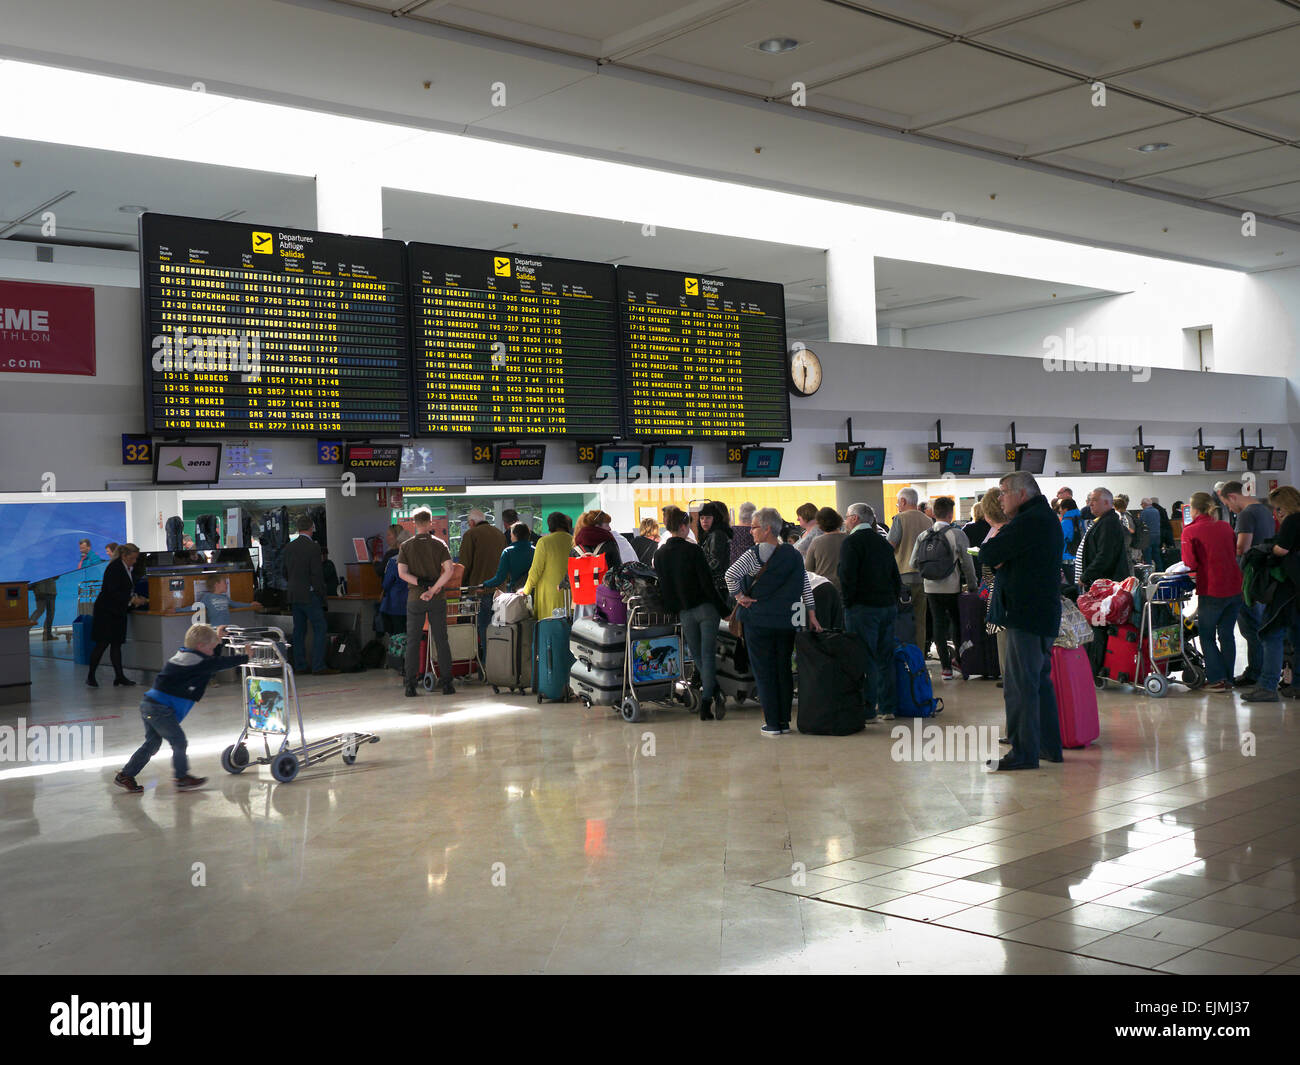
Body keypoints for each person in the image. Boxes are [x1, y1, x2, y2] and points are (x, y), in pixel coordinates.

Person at [978, 472, 1064, 770]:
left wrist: (999, 547)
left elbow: (988, 553)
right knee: (1038, 683)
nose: (1000, 498)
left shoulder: (1029, 521)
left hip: (1025, 615)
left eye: (1003, 492)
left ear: (1022, 494)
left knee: (1019, 686)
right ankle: (1049, 746)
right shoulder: (1044, 517)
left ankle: (1023, 752)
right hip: (1040, 613)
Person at [113, 623, 249, 793]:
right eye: (212, 647)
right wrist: (246, 657)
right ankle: (182, 777)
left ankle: (126, 775)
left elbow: (210, 661)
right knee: (179, 741)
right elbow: (215, 663)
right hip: (159, 709)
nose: (214, 651)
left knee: (152, 743)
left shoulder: (188, 655)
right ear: (200, 647)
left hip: (150, 705)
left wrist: (218, 640)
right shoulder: (196, 661)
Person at [726, 507, 820, 736]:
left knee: (764, 672)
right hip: (786, 622)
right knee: (783, 670)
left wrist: (739, 597)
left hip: (758, 622)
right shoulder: (793, 554)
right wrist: (812, 613)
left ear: (768, 529)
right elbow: (805, 585)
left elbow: (730, 576)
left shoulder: (753, 555)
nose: (750, 532)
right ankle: (785, 721)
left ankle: (772, 724)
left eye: (754, 527)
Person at [654, 506, 726, 721]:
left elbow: (665, 588)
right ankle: (707, 701)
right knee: (708, 657)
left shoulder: (660, 554)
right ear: (684, 526)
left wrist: (675, 608)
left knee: (697, 658)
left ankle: (713, 694)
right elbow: (707, 584)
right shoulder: (693, 550)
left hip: (685, 612)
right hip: (706, 609)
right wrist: (725, 610)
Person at [839, 502, 900, 722]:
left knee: (866, 658)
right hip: (887, 607)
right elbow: (895, 576)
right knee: (886, 656)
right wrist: (892, 600)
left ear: (855, 518)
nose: (845, 521)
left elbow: (847, 577)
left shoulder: (851, 543)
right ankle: (888, 707)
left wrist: (849, 603)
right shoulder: (883, 543)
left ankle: (868, 710)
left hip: (862, 608)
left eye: (846, 517)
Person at [1242, 486, 1300, 703]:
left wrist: (1267, 551)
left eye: (1277, 509)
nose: (1276, 514)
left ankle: (1267, 686)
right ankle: (1297, 685)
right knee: (1297, 636)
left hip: (1288, 588)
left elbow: (1282, 550)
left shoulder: (1293, 521)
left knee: (1271, 633)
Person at [1180, 491, 1242, 693]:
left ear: (1193, 509)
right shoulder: (1225, 527)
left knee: (1207, 634)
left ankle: (1216, 679)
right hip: (1234, 587)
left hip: (1212, 588)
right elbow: (1234, 551)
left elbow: (1190, 563)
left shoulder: (1190, 531)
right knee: (1227, 634)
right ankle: (1229, 678)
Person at [911, 496, 979, 680]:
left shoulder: (923, 535)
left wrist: (930, 574)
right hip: (952, 588)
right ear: (951, 514)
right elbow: (967, 563)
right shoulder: (957, 534)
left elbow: (913, 562)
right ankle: (960, 661)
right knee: (956, 623)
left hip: (930, 588)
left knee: (938, 625)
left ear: (934, 513)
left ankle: (945, 669)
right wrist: (972, 586)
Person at [1220, 479, 1276, 688]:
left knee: (1251, 628)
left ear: (1233, 496)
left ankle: (1255, 672)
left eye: (1227, 504)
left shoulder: (1246, 514)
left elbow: (1242, 547)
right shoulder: (1264, 510)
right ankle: (1262, 670)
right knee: (1261, 626)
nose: (1230, 508)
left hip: (1248, 578)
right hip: (1263, 577)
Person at [397, 508, 458, 698]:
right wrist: (433, 589)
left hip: (415, 599)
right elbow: (449, 570)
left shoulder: (406, 546)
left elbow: (402, 573)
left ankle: (410, 686)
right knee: (441, 640)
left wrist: (421, 585)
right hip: (437, 599)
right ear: (430, 522)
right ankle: (447, 683)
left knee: (413, 641)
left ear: (414, 523)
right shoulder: (440, 545)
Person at [1077, 488, 1132, 674]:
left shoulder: (1108, 524)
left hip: (1107, 585)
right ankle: (1099, 665)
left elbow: (1105, 556)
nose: (1090, 504)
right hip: (1103, 584)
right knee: (1099, 625)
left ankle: (1097, 667)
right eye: (1089, 500)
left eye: (1094, 500)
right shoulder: (1103, 522)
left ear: (1107, 503)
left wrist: (1086, 576)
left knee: (1100, 625)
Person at [87, 543, 147, 687]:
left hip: (118, 610)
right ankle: (91, 676)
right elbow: (112, 590)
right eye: (132, 558)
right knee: (102, 644)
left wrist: (134, 598)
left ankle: (119, 676)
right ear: (124, 556)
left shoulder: (127, 568)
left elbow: (124, 589)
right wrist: (131, 599)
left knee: (116, 644)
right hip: (106, 611)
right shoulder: (114, 567)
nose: (134, 561)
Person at [284, 516, 336, 677]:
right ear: (312, 528)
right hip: (310, 595)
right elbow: (316, 574)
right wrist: (322, 594)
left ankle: (300, 665)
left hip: (294, 595)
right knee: (320, 627)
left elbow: (283, 572)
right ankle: (318, 665)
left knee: (299, 630)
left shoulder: (288, 547)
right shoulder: (313, 548)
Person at [887, 487, 933, 652]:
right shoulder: (928, 521)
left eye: (898, 502)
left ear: (904, 501)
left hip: (903, 577)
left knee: (901, 619)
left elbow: (889, 546)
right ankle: (919, 657)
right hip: (924, 577)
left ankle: (904, 656)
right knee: (920, 620)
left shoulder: (900, 518)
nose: (898, 505)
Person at [459, 508, 507, 656]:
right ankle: (501, 664)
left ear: (472, 522)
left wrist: (461, 586)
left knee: (483, 628)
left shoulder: (471, 534)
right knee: (499, 629)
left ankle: (485, 666)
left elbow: (464, 565)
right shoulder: (499, 534)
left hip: (480, 590)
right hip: (500, 591)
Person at [521, 512, 575, 623]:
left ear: (550, 525)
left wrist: (526, 590)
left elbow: (536, 570)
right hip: (571, 594)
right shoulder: (574, 541)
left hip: (549, 595)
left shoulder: (544, 542)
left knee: (550, 630)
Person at [696, 501, 733, 606]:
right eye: (702, 518)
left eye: (708, 518)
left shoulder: (716, 534)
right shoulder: (711, 534)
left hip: (718, 585)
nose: (704, 521)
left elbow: (715, 561)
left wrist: (699, 572)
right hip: (718, 584)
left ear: (715, 518)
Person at [483, 523, 536, 596]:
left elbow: (499, 578)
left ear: (515, 535)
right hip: (534, 592)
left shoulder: (508, 552)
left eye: (511, 534)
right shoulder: (535, 551)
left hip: (517, 593)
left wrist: (485, 584)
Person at [805, 507, 848, 594]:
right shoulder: (849, 538)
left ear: (820, 525)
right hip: (846, 587)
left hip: (824, 588)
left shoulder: (816, 542)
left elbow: (808, 568)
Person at [379, 527, 411, 635]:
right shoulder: (417, 561)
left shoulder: (393, 561)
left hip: (396, 604)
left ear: (400, 544)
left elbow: (386, 583)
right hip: (413, 603)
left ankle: (399, 652)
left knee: (397, 635)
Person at [29, 574, 58, 641]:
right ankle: (47, 635)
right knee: (50, 613)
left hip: (38, 591)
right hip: (50, 590)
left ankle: (24, 630)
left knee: (39, 611)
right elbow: (56, 576)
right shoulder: (50, 564)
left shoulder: (34, 565)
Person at [1139, 499, 1162, 569]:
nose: (1141, 506)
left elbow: (1141, 524)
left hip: (1147, 537)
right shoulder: (1156, 511)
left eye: (1141, 504)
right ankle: (1160, 571)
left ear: (1144, 504)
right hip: (1157, 535)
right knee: (1157, 556)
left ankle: (1149, 573)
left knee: (1147, 556)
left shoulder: (1144, 512)